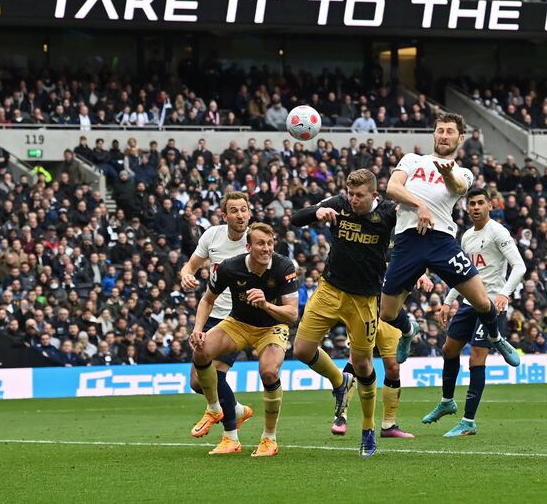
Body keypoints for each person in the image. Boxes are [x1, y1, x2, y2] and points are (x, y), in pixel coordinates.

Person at [379, 113, 519, 368]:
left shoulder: (462, 172)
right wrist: (420, 205)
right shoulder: (412, 160)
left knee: (482, 301)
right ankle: (409, 330)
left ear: (460, 138)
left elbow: (458, 188)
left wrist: (446, 175)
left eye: (450, 131)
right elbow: (392, 187)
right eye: (440, 130)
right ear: (434, 134)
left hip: (441, 243)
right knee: (387, 312)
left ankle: (496, 337)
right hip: (408, 241)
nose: (444, 135)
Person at [292, 169, 408, 457]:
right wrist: (318, 212)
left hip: (364, 300)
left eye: (360, 195)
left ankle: (368, 431)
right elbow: (296, 219)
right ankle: (339, 381)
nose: (354, 200)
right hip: (329, 290)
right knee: (302, 350)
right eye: (351, 194)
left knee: (364, 365)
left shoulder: (388, 213)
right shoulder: (339, 204)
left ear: (374, 195)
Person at [423, 187, 525, 437]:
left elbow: (519, 266)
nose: (476, 207)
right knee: (448, 349)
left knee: (476, 358)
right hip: (469, 303)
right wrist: (448, 301)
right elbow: (462, 274)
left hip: (492, 304)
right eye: (472, 204)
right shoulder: (466, 236)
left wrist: (505, 293)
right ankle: (447, 402)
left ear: (490, 205)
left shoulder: (498, 232)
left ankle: (468, 421)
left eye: (481, 203)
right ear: (466, 208)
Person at [190, 223, 298, 456]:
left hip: (272, 327)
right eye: (261, 243)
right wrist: (198, 329)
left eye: (270, 243)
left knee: (269, 372)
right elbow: (207, 299)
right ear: (248, 247)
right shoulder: (229, 267)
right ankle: (214, 408)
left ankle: (269, 438)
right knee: (200, 349)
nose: (267, 248)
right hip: (238, 324)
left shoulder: (284, 266)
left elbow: (292, 314)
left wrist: (266, 304)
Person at [179, 191, 253, 445]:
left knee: (217, 376)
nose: (240, 214)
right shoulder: (212, 235)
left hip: (238, 318)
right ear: (225, 215)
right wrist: (186, 274)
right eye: (234, 210)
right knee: (197, 382)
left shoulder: (254, 240)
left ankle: (229, 435)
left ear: (249, 212)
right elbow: (191, 265)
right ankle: (237, 410)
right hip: (212, 313)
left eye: (243, 209)